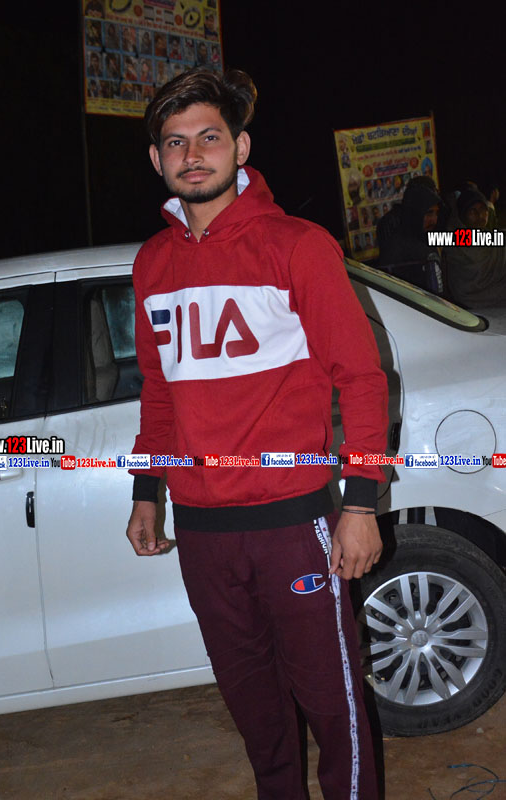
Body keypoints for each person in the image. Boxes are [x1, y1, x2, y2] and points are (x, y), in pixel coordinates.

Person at [126, 67, 387, 800]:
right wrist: (147, 490)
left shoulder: (297, 246)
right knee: (256, 717)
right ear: (157, 159)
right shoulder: (152, 264)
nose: (192, 154)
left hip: (292, 525)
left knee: (334, 707)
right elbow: (159, 392)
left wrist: (360, 502)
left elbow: (361, 378)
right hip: (202, 532)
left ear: (240, 148)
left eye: (209, 137)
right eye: (175, 142)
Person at [445, 188, 506, 307]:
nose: (480, 215)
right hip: (466, 308)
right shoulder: (453, 243)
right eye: (472, 211)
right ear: (462, 214)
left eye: (483, 210)